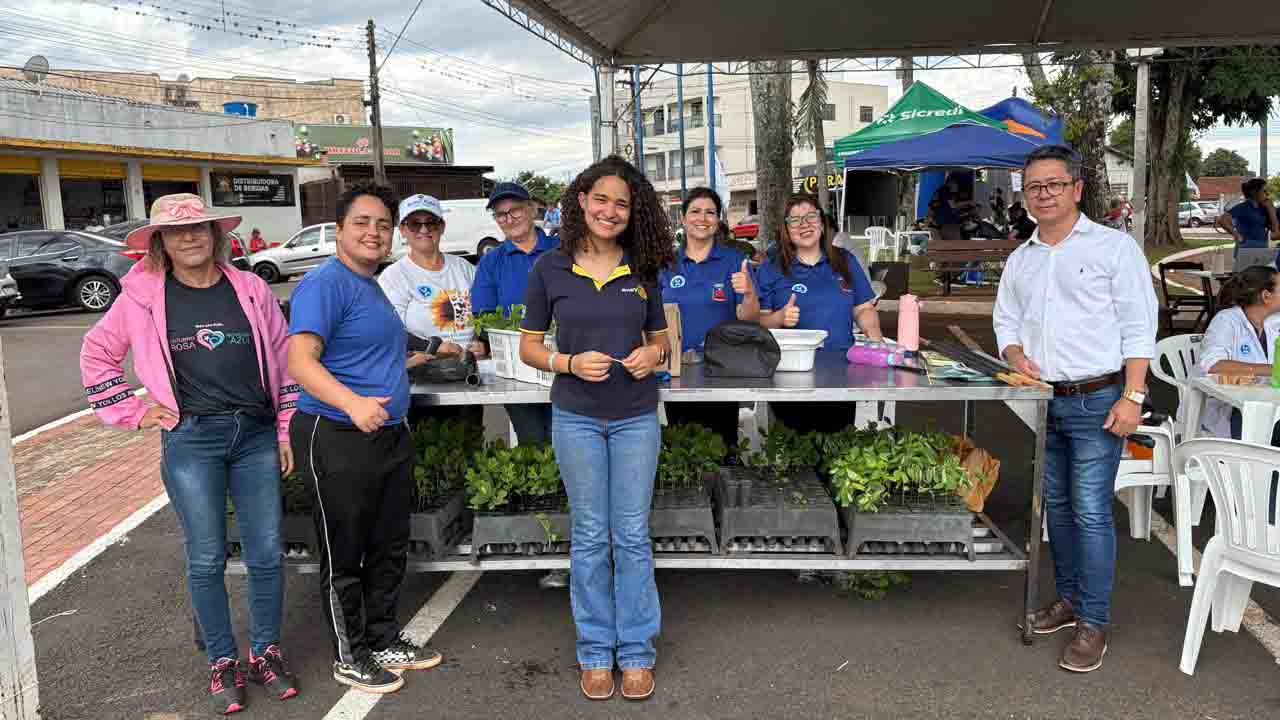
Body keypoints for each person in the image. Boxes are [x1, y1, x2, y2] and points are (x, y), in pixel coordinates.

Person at [79, 194, 299, 714]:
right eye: (177, 232)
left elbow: (285, 359)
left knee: (267, 552)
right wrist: (131, 411)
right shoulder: (141, 297)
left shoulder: (250, 288)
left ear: (215, 234)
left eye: (199, 228)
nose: (190, 237)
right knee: (206, 555)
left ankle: (266, 651)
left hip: (256, 436)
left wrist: (286, 429)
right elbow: (97, 352)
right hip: (192, 438)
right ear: (160, 242)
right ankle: (222, 659)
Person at [993, 144, 1158, 674]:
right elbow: (1006, 323)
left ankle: (1094, 621)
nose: (1042, 195)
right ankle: (1068, 601)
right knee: (1056, 510)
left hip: (1101, 400)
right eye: (1033, 187)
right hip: (1046, 403)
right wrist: (1016, 354)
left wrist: (1133, 397)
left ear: (1077, 189)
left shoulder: (1114, 248)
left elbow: (1139, 328)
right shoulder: (1022, 258)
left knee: (1089, 511)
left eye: (1053, 185)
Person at [518, 155, 673, 702]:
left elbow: (663, 340)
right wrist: (568, 362)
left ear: (634, 214)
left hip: (635, 417)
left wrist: (651, 355)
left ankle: (635, 652)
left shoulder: (642, 267)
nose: (611, 211)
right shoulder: (549, 268)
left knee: (630, 535)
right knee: (589, 535)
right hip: (576, 417)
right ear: (581, 201)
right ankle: (593, 651)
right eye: (601, 199)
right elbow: (529, 346)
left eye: (623, 204)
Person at [287, 182, 441, 695]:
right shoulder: (323, 284)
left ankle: (382, 636)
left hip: (388, 434)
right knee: (345, 551)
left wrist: (449, 347)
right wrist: (351, 403)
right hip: (335, 434)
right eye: (362, 222)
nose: (373, 233)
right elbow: (300, 362)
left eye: (381, 224)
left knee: (387, 543)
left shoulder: (369, 284)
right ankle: (352, 654)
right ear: (338, 231)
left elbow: (389, 343)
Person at [756, 193, 882, 433]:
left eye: (811, 216)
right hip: (788, 375)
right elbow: (756, 321)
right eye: (795, 220)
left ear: (822, 223)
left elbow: (864, 308)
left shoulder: (845, 262)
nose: (804, 224)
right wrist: (779, 318)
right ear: (786, 229)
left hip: (842, 372)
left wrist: (874, 335)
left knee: (838, 448)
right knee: (792, 451)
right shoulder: (771, 267)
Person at [658, 187, 760, 447]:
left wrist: (748, 293)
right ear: (682, 218)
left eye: (710, 212)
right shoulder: (666, 263)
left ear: (718, 220)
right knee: (681, 446)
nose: (702, 218)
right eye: (695, 211)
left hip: (722, 369)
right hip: (676, 372)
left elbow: (748, 319)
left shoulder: (734, 260)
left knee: (724, 445)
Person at [379, 194, 486, 426]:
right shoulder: (395, 276)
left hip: (466, 377)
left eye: (432, 222)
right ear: (403, 230)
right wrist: (434, 347)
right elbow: (389, 330)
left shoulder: (464, 268)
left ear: (442, 227)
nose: (424, 229)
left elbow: (481, 315)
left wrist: (482, 342)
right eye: (415, 223)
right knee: (431, 453)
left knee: (472, 446)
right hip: (422, 381)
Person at [471, 181, 558, 444]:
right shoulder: (491, 261)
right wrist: (482, 342)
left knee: (567, 439)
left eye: (516, 210)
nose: (509, 218)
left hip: (565, 362)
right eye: (501, 214)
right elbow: (483, 313)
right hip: (517, 366)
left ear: (531, 210)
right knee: (533, 440)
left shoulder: (561, 249)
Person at [1195, 265, 1280, 444]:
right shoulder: (1226, 321)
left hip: (1264, 407)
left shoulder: (1271, 324)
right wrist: (1271, 370)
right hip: (1229, 411)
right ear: (1266, 296)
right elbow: (1212, 365)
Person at [1218, 178, 1280, 271]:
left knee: (1259, 280)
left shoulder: (1263, 209)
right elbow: (1222, 220)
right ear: (1254, 192)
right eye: (1264, 190)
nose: (1267, 194)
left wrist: (1271, 210)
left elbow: (1275, 230)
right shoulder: (1243, 207)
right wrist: (1236, 234)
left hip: (1262, 248)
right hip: (1246, 248)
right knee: (1243, 280)